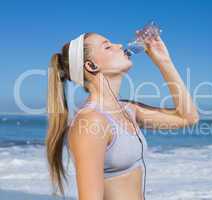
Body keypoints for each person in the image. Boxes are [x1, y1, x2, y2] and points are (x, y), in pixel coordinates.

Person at [46, 32, 199, 200]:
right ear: (91, 66)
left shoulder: (128, 110)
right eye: (108, 46)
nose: (119, 45)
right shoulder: (91, 121)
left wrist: (163, 61)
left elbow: (188, 117)